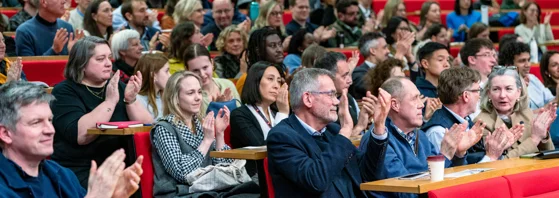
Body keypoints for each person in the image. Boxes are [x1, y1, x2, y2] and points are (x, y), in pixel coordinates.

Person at [0, 81, 144, 197]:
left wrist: (113, 195)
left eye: (50, 120)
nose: (50, 130)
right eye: (36, 122)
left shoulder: (63, 175)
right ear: (5, 134)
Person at [50, 36, 153, 187]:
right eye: (100, 59)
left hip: (122, 164)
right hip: (83, 168)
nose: (107, 64)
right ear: (81, 64)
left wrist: (130, 100)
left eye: (109, 57)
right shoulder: (64, 92)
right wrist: (110, 102)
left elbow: (147, 125)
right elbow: (81, 135)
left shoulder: (116, 86)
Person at [360, 77, 480, 197]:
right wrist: (445, 156)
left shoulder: (420, 136)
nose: (421, 105)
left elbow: (446, 181)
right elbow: (405, 193)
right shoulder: (378, 142)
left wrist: (458, 154)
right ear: (395, 105)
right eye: (414, 98)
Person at [267, 68, 379, 197]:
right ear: (308, 99)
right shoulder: (282, 137)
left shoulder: (333, 130)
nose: (336, 102)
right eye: (330, 94)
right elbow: (316, 181)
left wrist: (379, 130)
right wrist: (345, 132)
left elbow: (367, 171)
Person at [150, 70, 259, 197]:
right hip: (180, 192)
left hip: (211, 189)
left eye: (199, 92)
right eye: (191, 93)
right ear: (175, 98)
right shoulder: (164, 128)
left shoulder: (201, 124)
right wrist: (207, 141)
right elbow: (181, 172)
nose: (198, 97)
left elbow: (224, 169)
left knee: (256, 191)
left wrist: (219, 135)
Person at [423, 67, 512, 163]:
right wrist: (491, 156)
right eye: (478, 91)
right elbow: (453, 173)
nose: (480, 96)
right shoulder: (438, 131)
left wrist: (495, 147)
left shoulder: (466, 120)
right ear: (466, 96)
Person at [476, 67, 556, 158]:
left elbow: (550, 156)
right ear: (489, 93)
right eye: (496, 89)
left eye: (508, 89)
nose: (502, 95)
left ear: (518, 92)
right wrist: (534, 140)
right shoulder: (481, 123)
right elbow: (499, 163)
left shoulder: (527, 114)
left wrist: (543, 135)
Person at [230, 62, 288, 175]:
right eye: (270, 79)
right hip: (256, 178)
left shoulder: (276, 113)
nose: (276, 85)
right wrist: (283, 113)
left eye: (279, 81)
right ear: (255, 82)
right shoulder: (240, 115)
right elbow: (262, 149)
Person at [314, 51, 373, 137]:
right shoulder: (318, 107)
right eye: (345, 76)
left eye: (349, 74)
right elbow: (336, 146)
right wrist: (359, 127)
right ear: (328, 77)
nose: (350, 81)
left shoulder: (349, 98)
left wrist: (368, 121)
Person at [184, 44, 240, 116]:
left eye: (205, 67)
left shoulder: (228, 84)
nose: (202, 74)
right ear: (187, 70)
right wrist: (217, 107)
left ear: (212, 63)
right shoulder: (189, 96)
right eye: (195, 70)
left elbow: (241, 116)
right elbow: (197, 125)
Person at [499, 41, 556, 110]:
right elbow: (523, 116)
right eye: (522, 61)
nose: (528, 65)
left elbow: (550, 99)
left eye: (528, 60)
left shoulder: (532, 78)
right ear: (508, 65)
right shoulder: (502, 86)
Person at [15, 0, 82, 56]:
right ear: (44, 2)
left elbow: (74, 68)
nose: (64, 1)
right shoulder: (24, 32)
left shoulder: (67, 27)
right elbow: (29, 69)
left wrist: (73, 54)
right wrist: (54, 50)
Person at [236, 27, 285, 95]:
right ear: (258, 50)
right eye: (273, 46)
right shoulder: (246, 80)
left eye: (280, 44)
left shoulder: (284, 75)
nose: (279, 50)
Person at [350, 32, 390, 100]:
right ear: (373, 51)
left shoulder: (387, 68)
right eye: (384, 47)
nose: (388, 51)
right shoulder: (358, 73)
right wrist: (399, 55)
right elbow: (379, 90)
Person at [134, 52, 170, 122]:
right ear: (154, 75)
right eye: (166, 71)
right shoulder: (138, 100)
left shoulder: (166, 97)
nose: (170, 75)